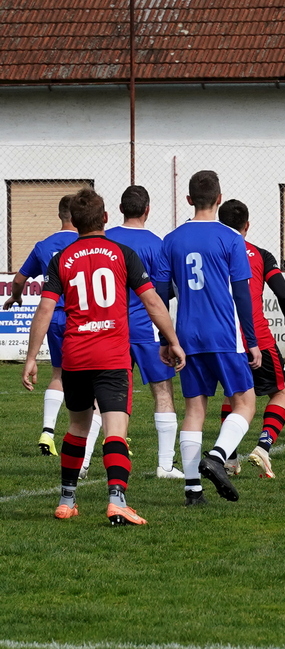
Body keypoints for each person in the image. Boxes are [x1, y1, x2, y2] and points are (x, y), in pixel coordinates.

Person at [21, 188, 185, 525]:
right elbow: (153, 301)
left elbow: (46, 308)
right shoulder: (122, 253)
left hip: (75, 356)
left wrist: (31, 357)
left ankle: (67, 500)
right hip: (111, 355)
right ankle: (116, 500)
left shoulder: (62, 258)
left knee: (77, 427)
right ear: (105, 218)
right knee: (115, 427)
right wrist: (172, 340)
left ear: (74, 221)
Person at [155, 170, 262, 505]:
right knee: (245, 402)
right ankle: (217, 456)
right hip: (224, 334)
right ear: (219, 198)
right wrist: (253, 340)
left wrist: (165, 339)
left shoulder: (170, 240)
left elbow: (159, 295)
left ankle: (192, 490)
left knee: (194, 409)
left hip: (186, 335)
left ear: (189, 200)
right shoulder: (231, 239)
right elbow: (242, 294)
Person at [3, 195, 95, 459]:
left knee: (58, 374)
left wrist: (16, 296)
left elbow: (19, 279)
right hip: (82, 317)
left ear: (60, 216)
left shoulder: (43, 245)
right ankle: (109, 435)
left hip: (54, 317)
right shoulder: (87, 243)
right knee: (96, 377)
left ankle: (47, 431)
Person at [217, 199, 285, 479]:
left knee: (234, 394)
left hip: (224, 340)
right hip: (258, 339)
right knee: (283, 390)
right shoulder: (259, 255)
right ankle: (263, 447)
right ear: (247, 226)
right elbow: (284, 294)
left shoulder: (211, 253)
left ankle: (229, 458)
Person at [106, 186, 182, 479]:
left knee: (106, 397)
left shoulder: (106, 240)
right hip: (146, 329)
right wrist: (168, 337)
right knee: (162, 392)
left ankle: (84, 461)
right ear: (147, 209)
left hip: (110, 331)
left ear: (120, 209)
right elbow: (162, 293)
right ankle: (164, 465)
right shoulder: (156, 244)